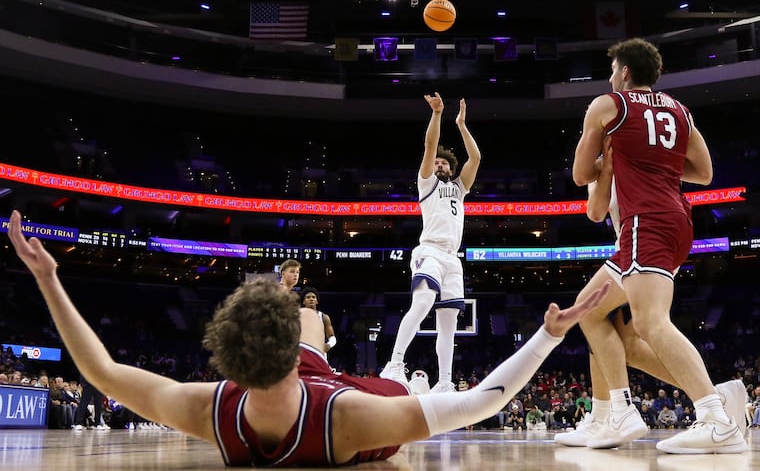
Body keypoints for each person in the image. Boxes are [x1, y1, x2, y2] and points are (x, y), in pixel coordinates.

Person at [6, 209, 608, 467]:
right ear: (300, 348)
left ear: (228, 362)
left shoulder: (212, 406)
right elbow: (484, 403)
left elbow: (103, 371)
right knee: (398, 406)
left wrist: (48, 280)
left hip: (324, 391)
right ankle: (402, 375)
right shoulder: (348, 418)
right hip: (346, 397)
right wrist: (548, 336)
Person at [572, 37, 746, 453]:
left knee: (650, 322)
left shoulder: (608, 105)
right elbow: (703, 172)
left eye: (614, 70)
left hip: (645, 221)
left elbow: (581, 174)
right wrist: (655, 161)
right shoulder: (680, 110)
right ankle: (618, 412)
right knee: (593, 313)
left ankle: (715, 417)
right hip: (675, 219)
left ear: (625, 72)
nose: (611, 77)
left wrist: (612, 161)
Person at [380, 92, 482, 393]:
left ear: (450, 167)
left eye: (443, 163)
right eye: (435, 162)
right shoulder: (426, 184)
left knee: (448, 326)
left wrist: (462, 125)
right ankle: (395, 363)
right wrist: (437, 114)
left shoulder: (460, 188)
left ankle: (446, 382)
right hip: (430, 251)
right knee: (422, 302)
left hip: (453, 258)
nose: (438, 165)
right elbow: (428, 145)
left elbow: (475, 158)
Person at [300, 287, 336, 354]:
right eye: (308, 297)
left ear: (317, 301)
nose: (311, 299)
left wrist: (328, 345)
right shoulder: (298, 316)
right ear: (303, 301)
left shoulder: (324, 317)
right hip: (302, 352)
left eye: (313, 297)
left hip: (319, 352)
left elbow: (332, 337)